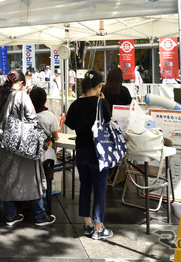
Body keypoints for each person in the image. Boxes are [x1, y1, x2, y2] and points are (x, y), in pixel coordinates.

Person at [0, 69, 56, 227]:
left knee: (5, 179)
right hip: (21, 145)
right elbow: (33, 120)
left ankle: (11, 215)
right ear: (20, 83)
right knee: (31, 178)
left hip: (1, 145)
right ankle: (39, 215)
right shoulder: (22, 96)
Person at [67, 69, 113, 240]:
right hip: (99, 153)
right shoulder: (102, 103)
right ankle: (99, 228)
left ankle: (87, 224)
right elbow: (108, 121)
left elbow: (70, 124)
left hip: (82, 151)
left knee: (85, 186)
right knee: (100, 188)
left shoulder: (76, 104)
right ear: (99, 85)